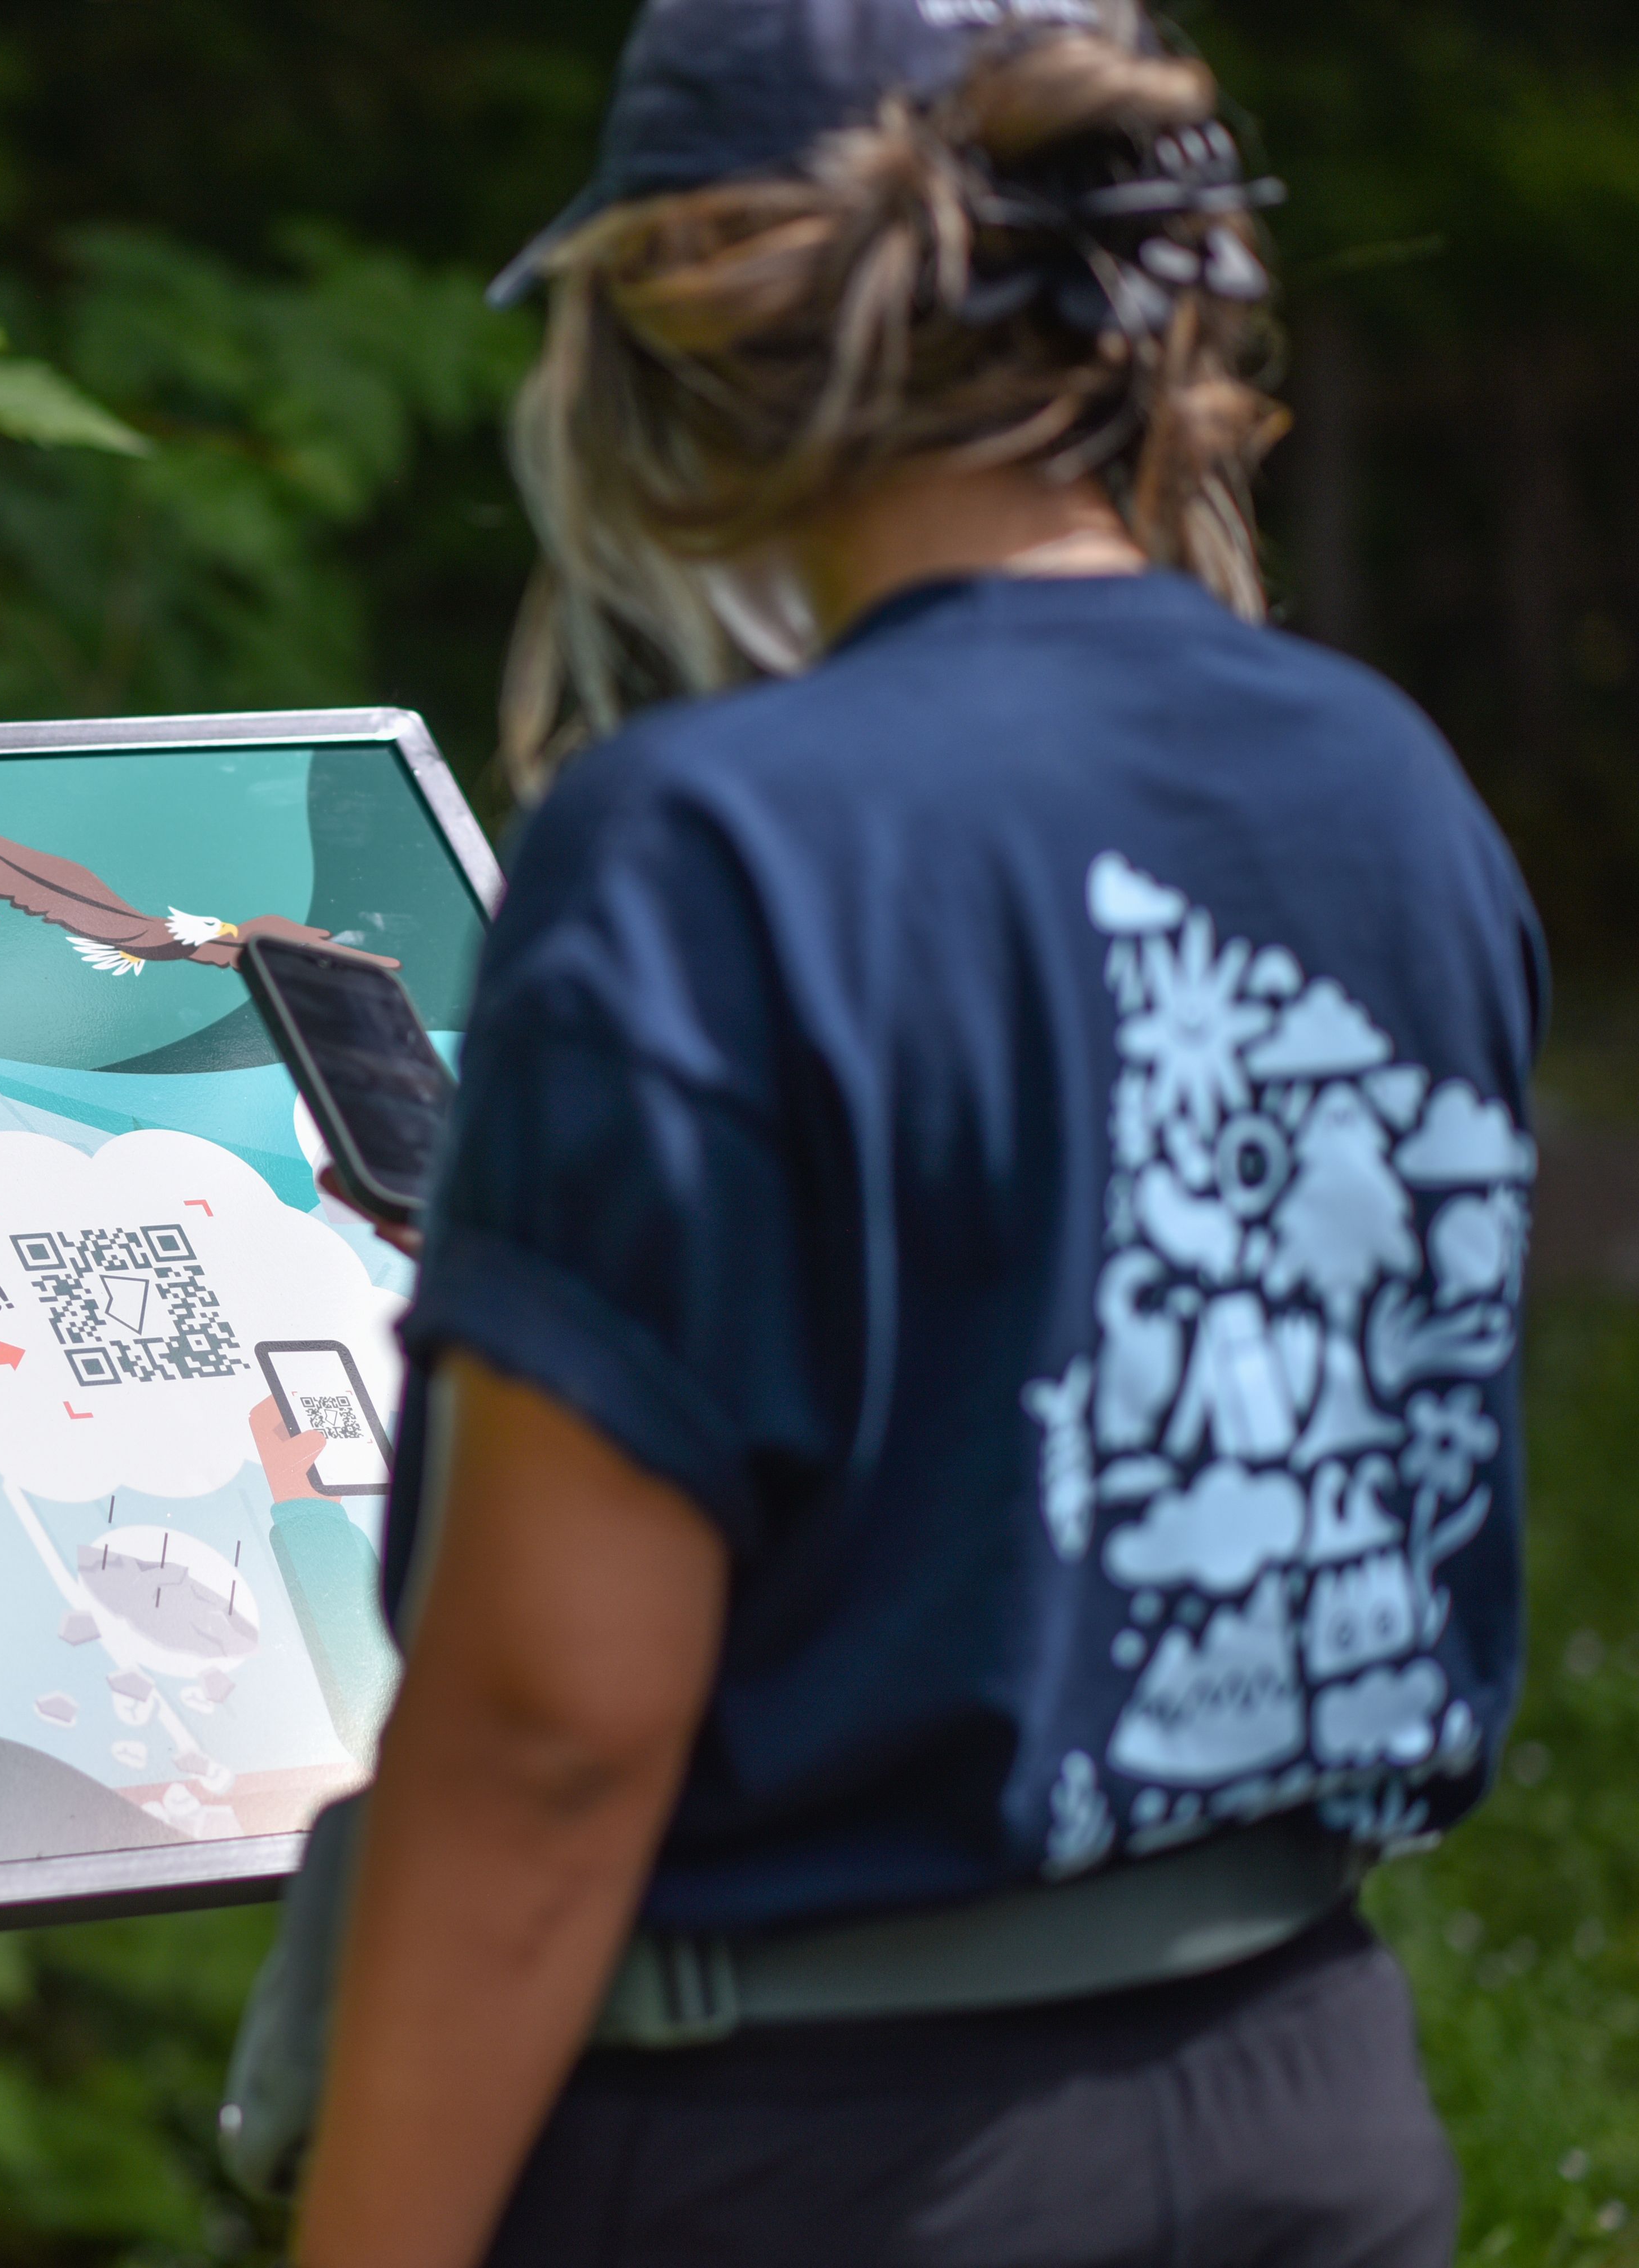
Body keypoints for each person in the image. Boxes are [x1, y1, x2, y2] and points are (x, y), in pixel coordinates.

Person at [290, 3, 1541, 2262]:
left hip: (810, 2148)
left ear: (680, 322)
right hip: (1310, 2096)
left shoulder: (709, 842)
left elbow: (552, 1733)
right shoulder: (1389, 785)